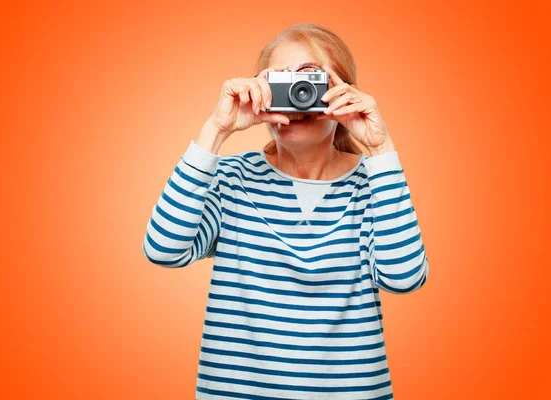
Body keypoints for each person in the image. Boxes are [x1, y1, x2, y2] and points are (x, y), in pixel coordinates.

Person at [143, 23, 429, 400]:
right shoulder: (231, 178)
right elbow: (163, 250)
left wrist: (381, 151)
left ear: (345, 93)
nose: (299, 94)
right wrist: (216, 130)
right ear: (261, 91)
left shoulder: (372, 184)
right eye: (283, 81)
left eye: (312, 79)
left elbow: (404, 277)